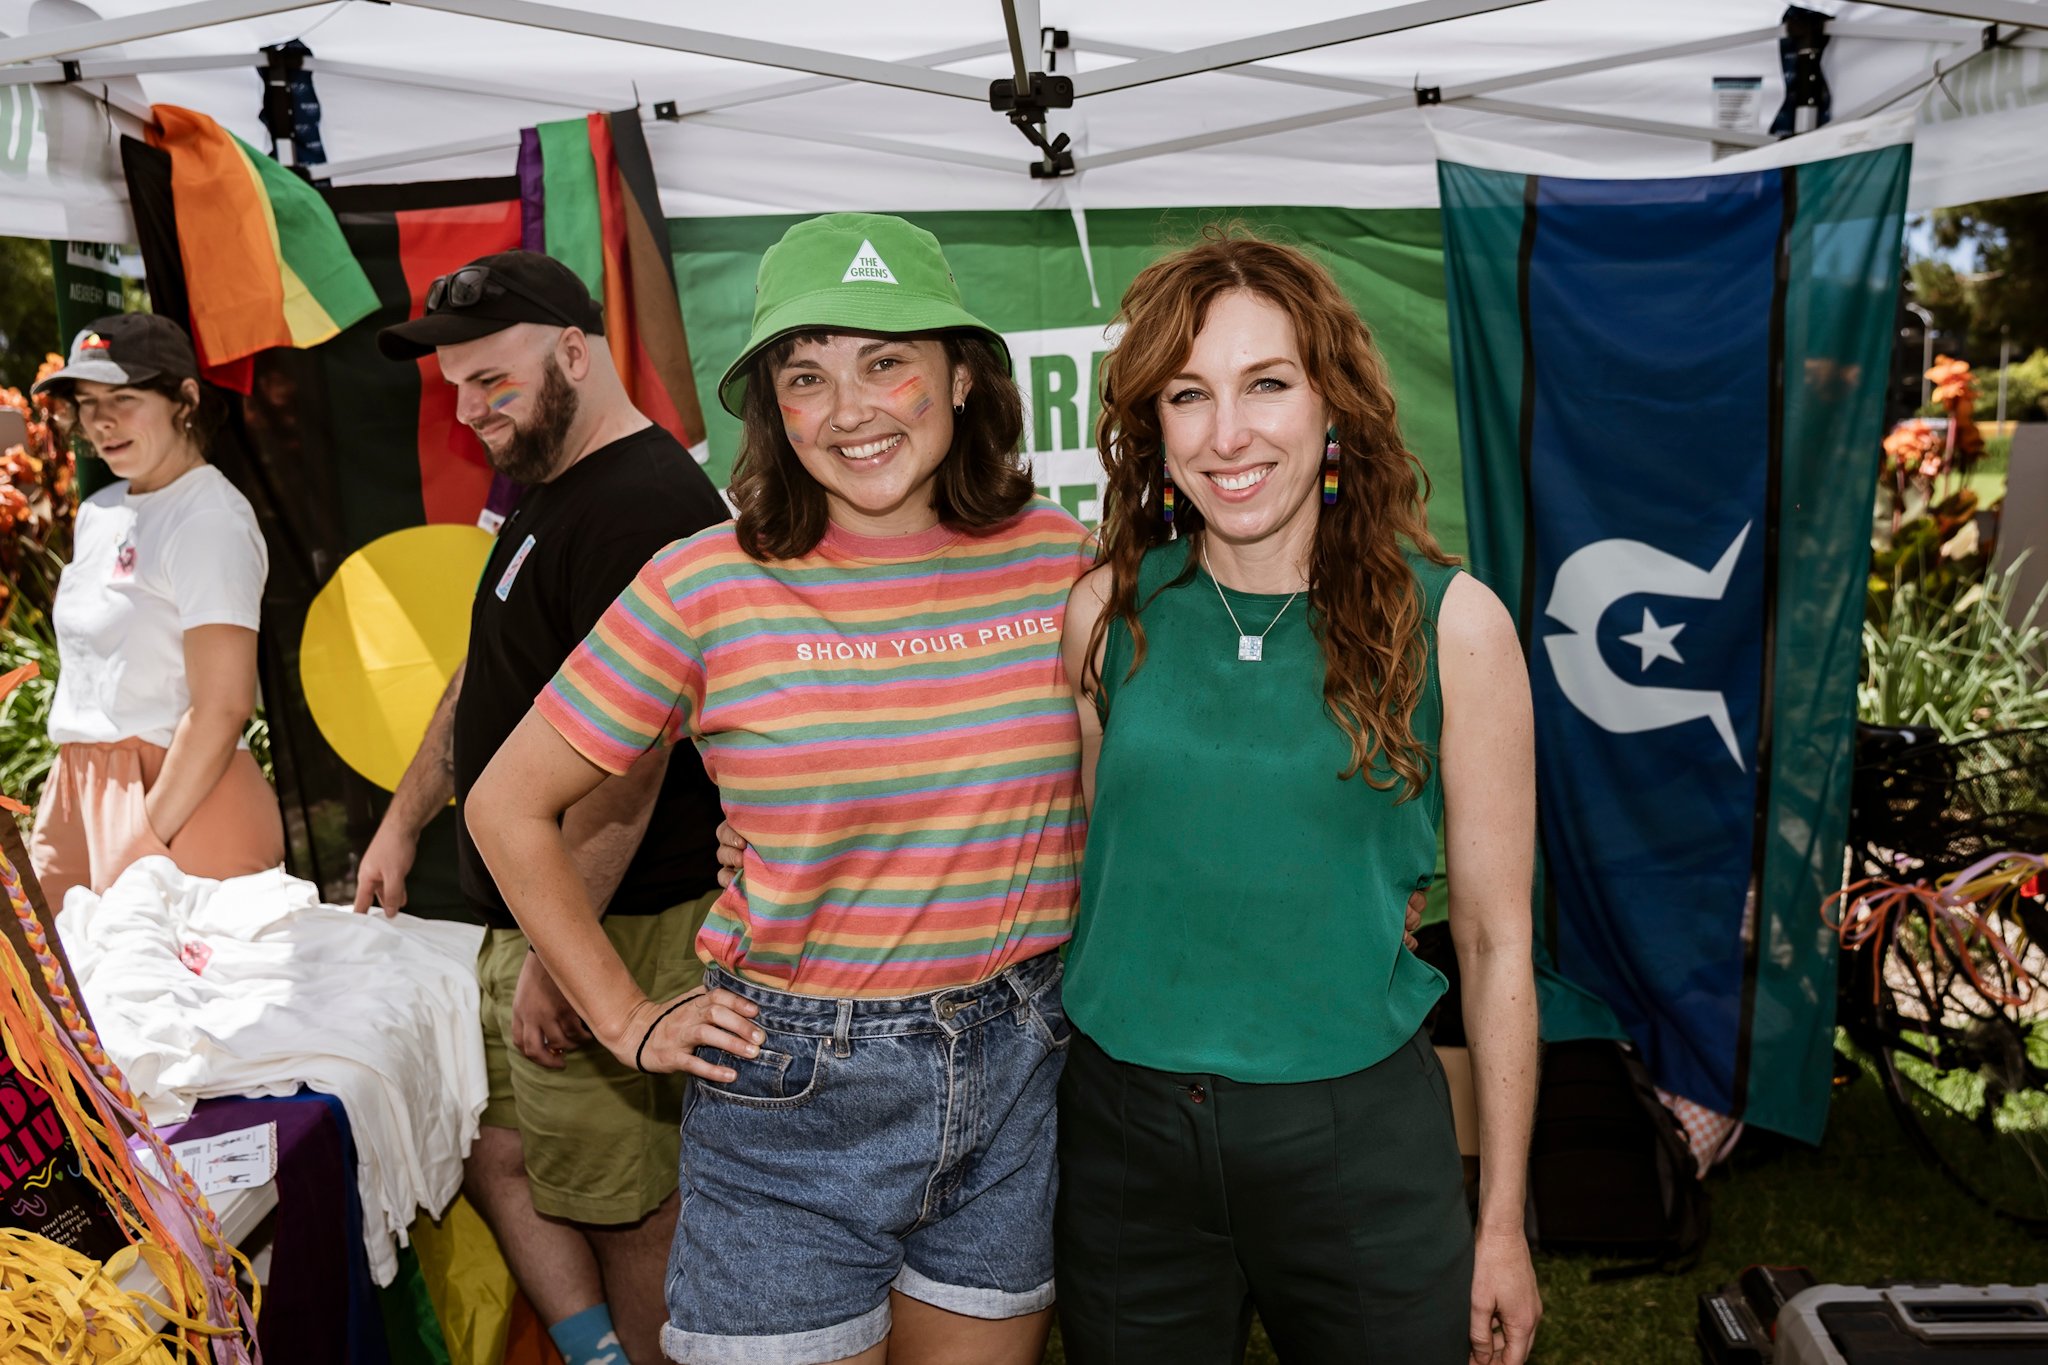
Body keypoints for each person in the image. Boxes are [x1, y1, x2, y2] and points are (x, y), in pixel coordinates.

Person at [464, 213, 1091, 1365]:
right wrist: (624, 1017)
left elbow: (1110, 785)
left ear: (960, 376)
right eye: (806, 377)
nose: (848, 409)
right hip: (794, 1097)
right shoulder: (704, 583)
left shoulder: (1057, 557)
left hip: (1016, 1068)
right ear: (773, 408)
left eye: (885, 362)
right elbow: (506, 806)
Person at [1055, 231, 1544, 1365]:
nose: (1227, 434)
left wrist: (1502, 1223)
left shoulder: (1453, 624)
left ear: (1333, 405)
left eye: (1266, 383)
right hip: (1126, 1140)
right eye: (1189, 394)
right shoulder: (1104, 615)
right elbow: (1098, 866)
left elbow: (1495, 942)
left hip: (1356, 1141)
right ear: (1154, 426)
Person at [359, 251, 729, 1365]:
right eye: (455, 389)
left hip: (618, 919)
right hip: (541, 912)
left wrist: (566, 959)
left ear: (574, 352)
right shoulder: (552, 487)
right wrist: (403, 819)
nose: (469, 411)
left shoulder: (644, 506)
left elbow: (631, 765)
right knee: (498, 1151)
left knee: (625, 1202)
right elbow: (489, 673)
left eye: (492, 382)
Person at [28, 314, 283, 907]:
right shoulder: (99, 511)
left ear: (184, 399)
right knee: (41, 963)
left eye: (124, 398)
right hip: (78, 788)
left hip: (186, 799)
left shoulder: (209, 518)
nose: (101, 420)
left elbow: (223, 705)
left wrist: (143, 835)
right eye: (87, 402)